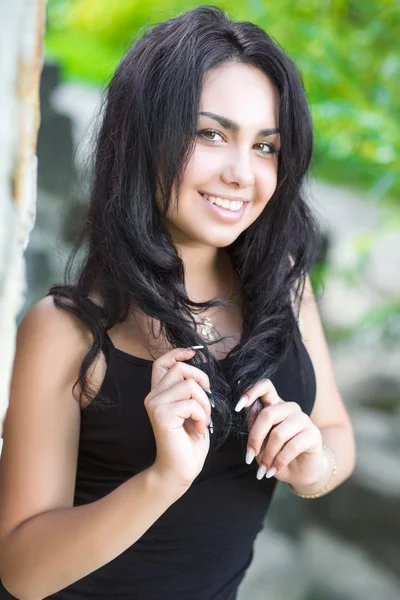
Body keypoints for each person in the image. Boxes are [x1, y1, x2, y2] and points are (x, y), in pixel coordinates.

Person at [0, 6, 356, 600]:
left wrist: (312, 467)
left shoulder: (281, 280)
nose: (242, 173)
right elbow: (21, 569)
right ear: (145, 137)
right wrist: (163, 479)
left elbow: (335, 432)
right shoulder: (66, 330)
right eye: (210, 134)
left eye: (266, 146)